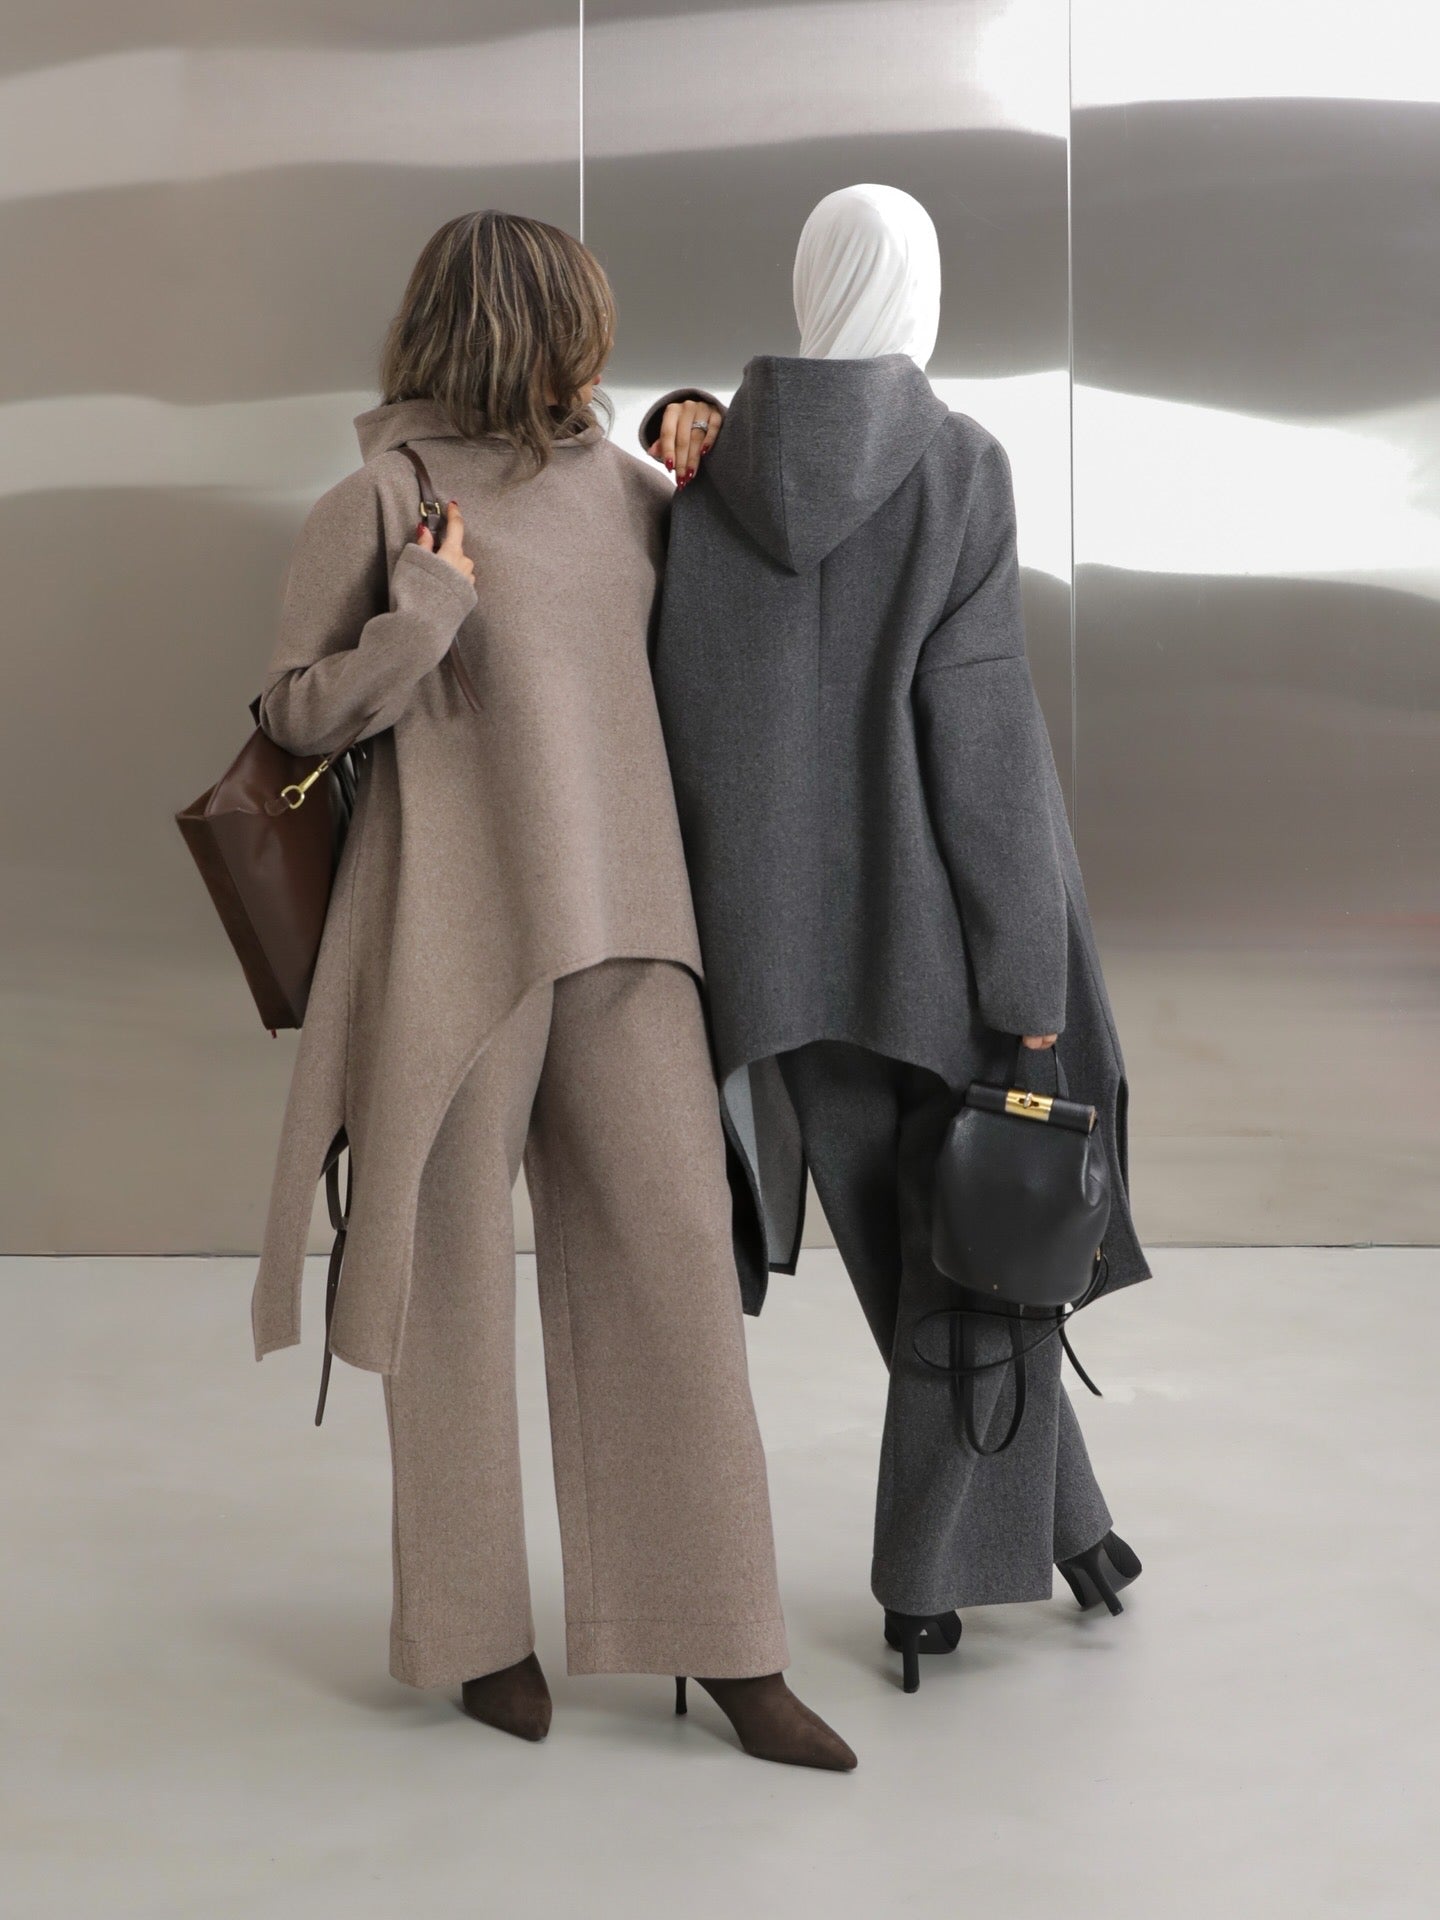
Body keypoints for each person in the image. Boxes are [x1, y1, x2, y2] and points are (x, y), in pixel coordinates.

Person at [248, 209, 855, 1769]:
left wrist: (712, 453)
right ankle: (473, 1635)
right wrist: (426, 611)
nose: (592, 347)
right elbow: (296, 717)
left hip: (632, 930)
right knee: (450, 1292)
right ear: (522, 327)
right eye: (576, 321)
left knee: (674, 1276)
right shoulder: (381, 498)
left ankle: (721, 1635)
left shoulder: (633, 491)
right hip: (452, 938)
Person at [642, 184, 1150, 1692]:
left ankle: (1076, 1531)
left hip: (770, 955)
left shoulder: (701, 482)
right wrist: (1025, 976)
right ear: (916, 294)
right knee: (976, 1259)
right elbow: (978, 742)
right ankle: (926, 1589)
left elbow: (687, 720)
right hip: (933, 944)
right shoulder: (956, 464)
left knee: (926, 1254)